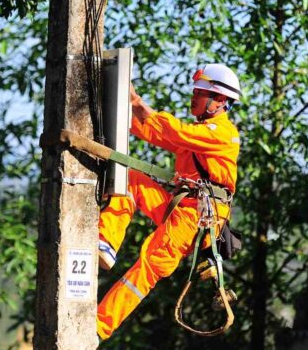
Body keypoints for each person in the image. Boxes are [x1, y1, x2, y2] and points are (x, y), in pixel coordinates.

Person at [96, 63, 242, 340]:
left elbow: (175, 132)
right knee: (128, 177)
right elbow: (159, 134)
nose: (194, 97)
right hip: (181, 208)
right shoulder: (202, 135)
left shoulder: (222, 134)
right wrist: (119, 111)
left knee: (149, 265)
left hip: (197, 218)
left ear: (220, 100)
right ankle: (107, 241)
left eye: (201, 93)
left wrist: (137, 101)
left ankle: (99, 326)